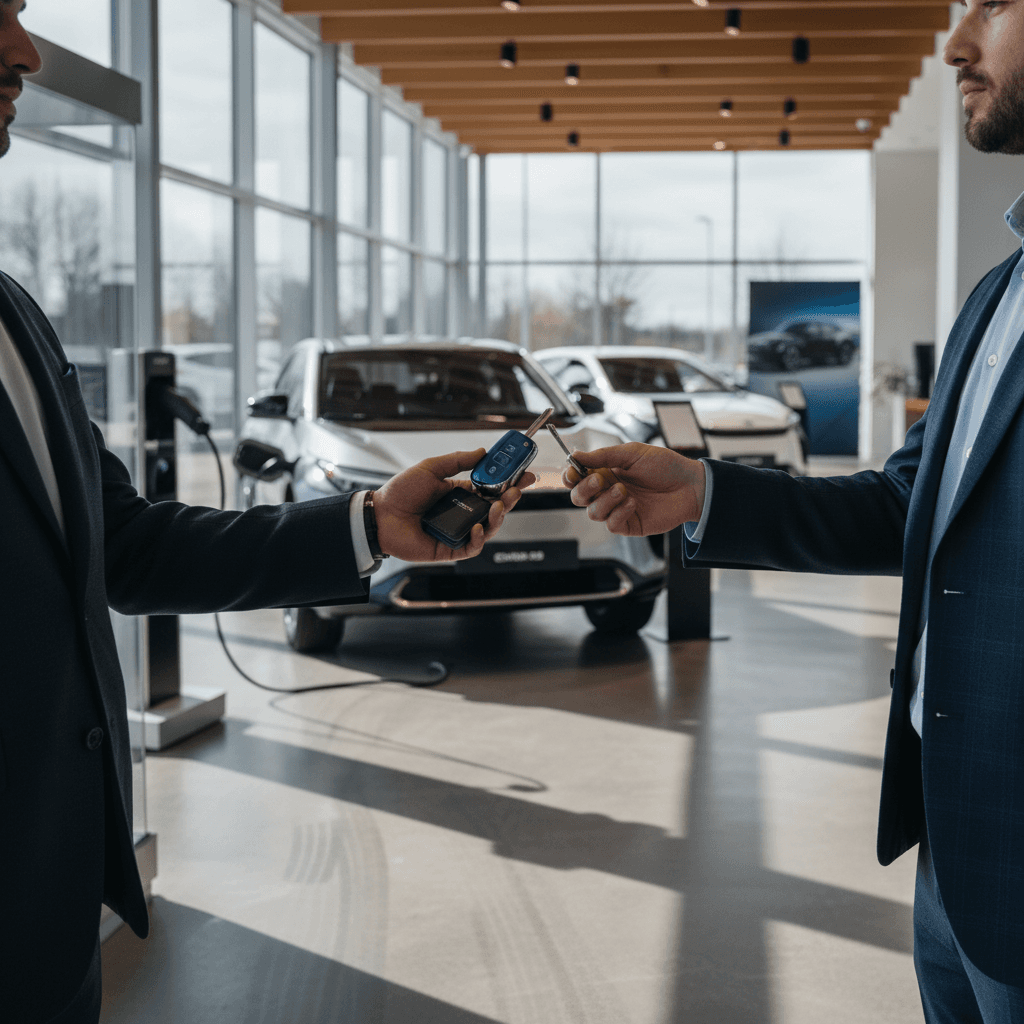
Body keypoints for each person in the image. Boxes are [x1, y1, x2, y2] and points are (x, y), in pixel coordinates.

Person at [0, 7, 529, 1023]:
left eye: (23, 13)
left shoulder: (14, 310)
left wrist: (372, 523)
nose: (24, 51)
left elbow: (132, 548)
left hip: (48, 903)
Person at [566, 3, 1024, 1021]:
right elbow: (910, 504)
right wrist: (702, 494)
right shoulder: (997, 295)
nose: (954, 46)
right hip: (956, 842)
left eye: (991, 3)